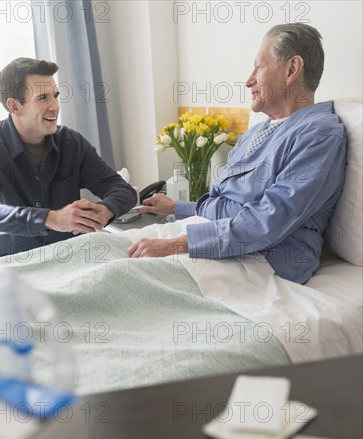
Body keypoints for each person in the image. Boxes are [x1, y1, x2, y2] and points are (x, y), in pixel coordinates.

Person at [128, 23, 347, 285]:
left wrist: (176, 245)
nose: (248, 80)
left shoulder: (318, 135)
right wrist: (178, 207)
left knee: (121, 280)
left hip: (265, 259)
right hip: (217, 240)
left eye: (259, 67)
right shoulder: (256, 133)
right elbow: (225, 203)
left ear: (291, 69)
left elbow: (268, 220)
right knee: (104, 250)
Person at [0, 58, 137, 258]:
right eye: (43, 98)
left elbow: (121, 189)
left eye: (55, 96)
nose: (55, 106)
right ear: (14, 106)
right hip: (7, 265)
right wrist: (51, 219)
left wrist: (105, 209)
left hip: (67, 264)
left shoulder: (71, 142)